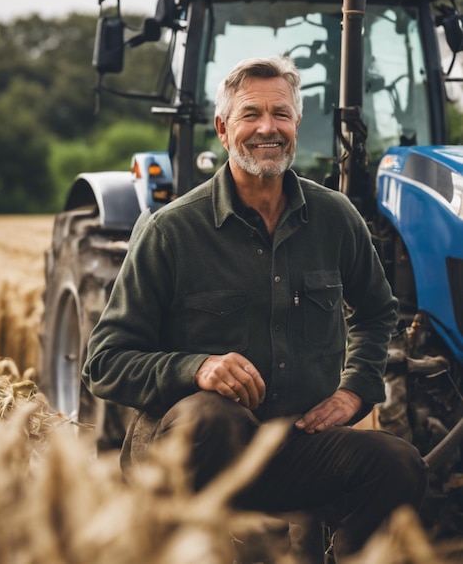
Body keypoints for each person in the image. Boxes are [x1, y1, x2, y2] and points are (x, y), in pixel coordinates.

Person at [82, 56, 428, 562]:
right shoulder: (171, 231)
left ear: (296, 126)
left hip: (292, 446)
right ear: (223, 129)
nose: (268, 128)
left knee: (399, 463)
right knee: (215, 418)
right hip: (187, 449)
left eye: (280, 114)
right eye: (251, 115)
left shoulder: (336, 218)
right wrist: (195, 368)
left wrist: (355, 390)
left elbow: (377, 312)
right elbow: (104, 362)